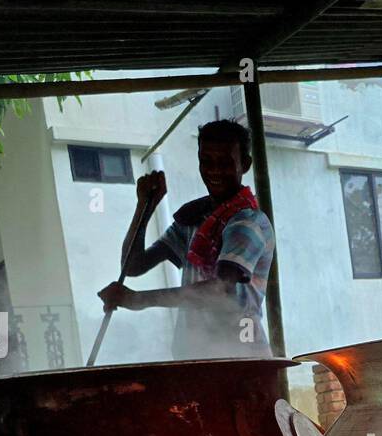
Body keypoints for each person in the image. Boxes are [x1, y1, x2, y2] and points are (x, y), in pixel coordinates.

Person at [98, 119, 274, 358]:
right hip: (194, 356)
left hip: (241, 359)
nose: (214, 171)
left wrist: (136, 299)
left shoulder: (248, 223)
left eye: (225, 163)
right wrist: (145, 207)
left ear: (245, 164)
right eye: (206, 162)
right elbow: (133, 265)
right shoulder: (195, 221)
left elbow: (220, 292)